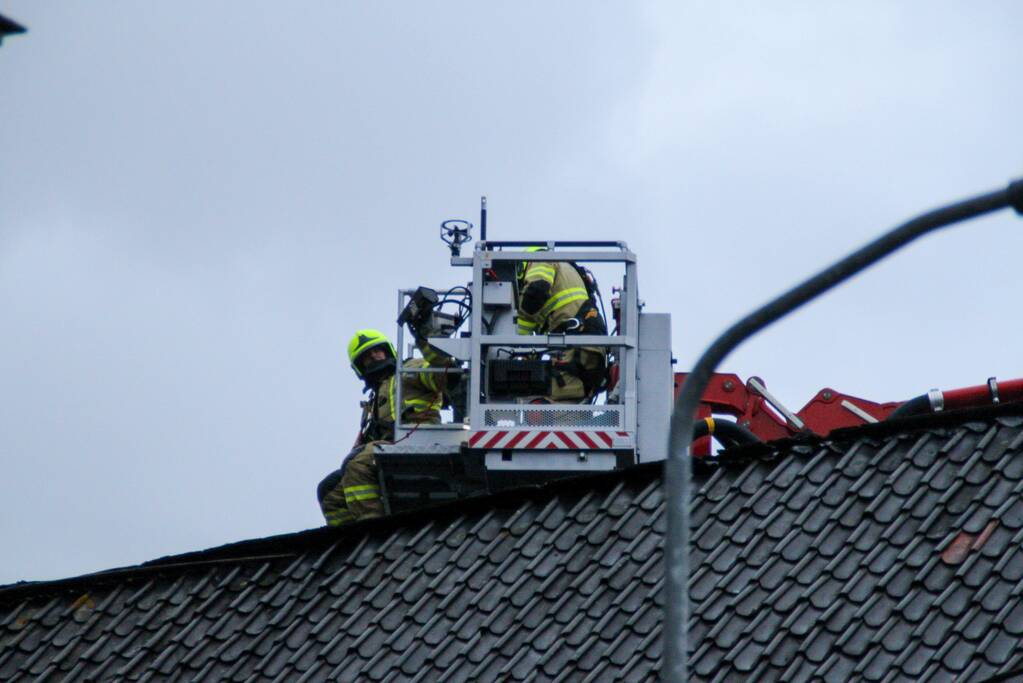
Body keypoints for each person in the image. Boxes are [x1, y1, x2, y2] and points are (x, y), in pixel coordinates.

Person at [317, 328, 451, 526]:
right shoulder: (374, 400)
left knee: (359, 465)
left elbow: (443, 376)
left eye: (377, 351)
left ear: (388, 351)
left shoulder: (409, 370)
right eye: (367, 357)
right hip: (386, 445)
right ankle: (347, 546)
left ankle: (374, 533)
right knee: (329, 491)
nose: (375, 357)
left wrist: (426, 338)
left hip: (416, 438)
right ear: (360, 367)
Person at [516, 247, 608, 403]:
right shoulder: (564, 267)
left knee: (546, 408)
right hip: (583, 347)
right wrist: (522, 350)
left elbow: (535, 293)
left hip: (577, 346)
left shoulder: (540, 260)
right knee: (568, 412)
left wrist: (508, 346)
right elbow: (524, 328)